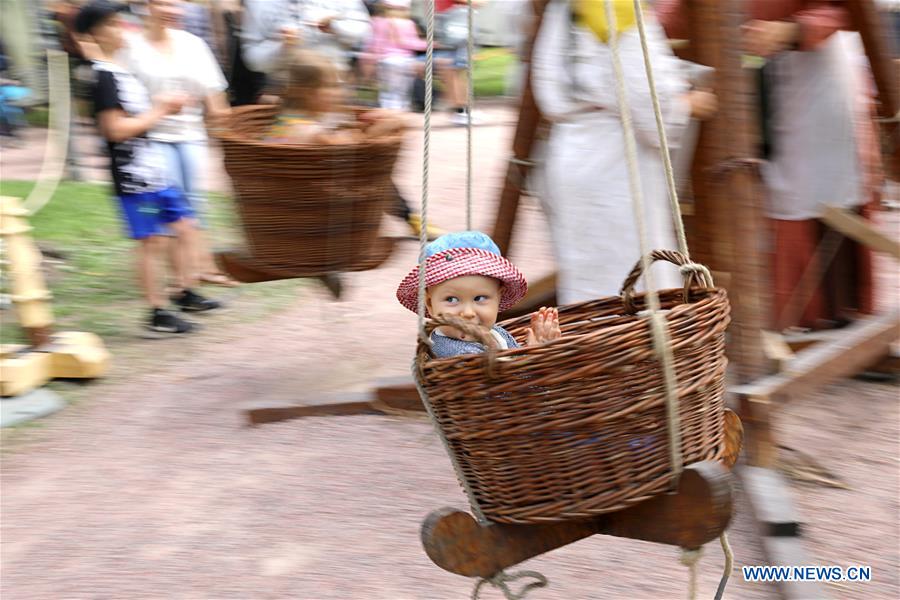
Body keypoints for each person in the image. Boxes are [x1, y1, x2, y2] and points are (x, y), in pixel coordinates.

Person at [657, 0, 879, 330]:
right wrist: (646, 32)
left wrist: (793, 29)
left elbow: (848, 9)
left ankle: (839, 311)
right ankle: (792, 316)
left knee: (825, 193)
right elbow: (670, 16)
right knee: (778, 196)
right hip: (756, 81)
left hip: (817, 73)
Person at [530, 0, 717, 305]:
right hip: (616, 163)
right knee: (635, 278)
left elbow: (548, 78)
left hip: (571, 150)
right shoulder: (619, 6)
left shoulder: (564, 8)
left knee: (589, 279)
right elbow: (645, 95)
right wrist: (687, 103)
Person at [76, 0, 220, 334]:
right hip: (134, 179)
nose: (122, 29)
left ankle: (184, 292)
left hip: (152, 171)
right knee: (152, 241)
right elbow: (115, 130)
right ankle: (157, 312)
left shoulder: (120, 70)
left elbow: (137, 118)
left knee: (184, 226)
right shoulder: (102, 77)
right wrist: (159, 111)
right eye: (113, 24)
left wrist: (163, 106)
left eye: (121, 22)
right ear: (95, 34)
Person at [121, 0, 238, 287]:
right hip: (153, 135)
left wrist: (226, 128)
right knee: (169, 204)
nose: (172, 11)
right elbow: (123, 94)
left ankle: (204, 267)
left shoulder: (193, 44)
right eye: (164, 4)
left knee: (196, 201)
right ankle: (180, 277)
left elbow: (213, 90)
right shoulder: (131, 47)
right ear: (148, 6)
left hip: (191, 133)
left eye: (177, 5)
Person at [396, 231, 562, 358]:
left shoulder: (498, 334)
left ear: (498, 298)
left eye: (480, 298)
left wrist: (534, 350)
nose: (468, 313)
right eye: (451, 299)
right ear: (429, 304)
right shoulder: (456, 354)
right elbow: (510, 382)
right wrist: (533, 355)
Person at [267, 49, 409, 144]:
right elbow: (355, 147)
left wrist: (364, 123)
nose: (340, 92)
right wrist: (377, 131)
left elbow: (341, 126)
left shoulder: (295, 117)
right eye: (331, 86)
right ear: (306, 92)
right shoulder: (305, 130)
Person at [363, 0, 426, 110]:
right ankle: (400, 112)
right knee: (403, 92)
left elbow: (374, 44)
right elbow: (411, 43)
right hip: (405, 61)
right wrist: (428, 44)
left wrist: (371, 62)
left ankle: (388, 111)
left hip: (386, 61)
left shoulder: (377, 22)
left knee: (387, 92)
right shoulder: (408, 23)